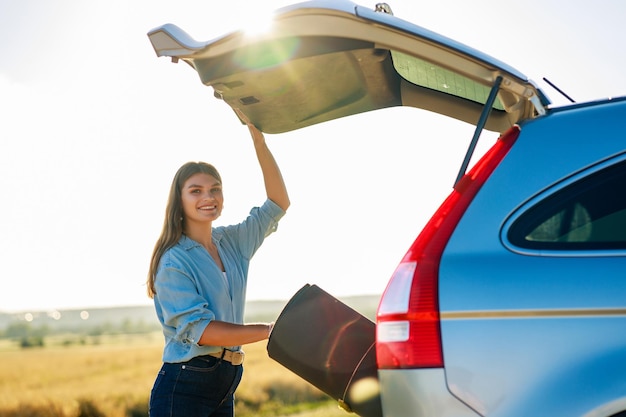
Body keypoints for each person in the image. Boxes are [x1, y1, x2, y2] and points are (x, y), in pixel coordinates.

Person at [146, 109, 290, 417]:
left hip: (225, 382)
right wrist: (268, 330)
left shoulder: (233, 242)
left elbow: (278, 202)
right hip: (185, 386)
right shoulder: (173, 261)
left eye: (215, 189)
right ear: (180, 200)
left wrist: (258, 141)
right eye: (195, 191)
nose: (207, 196)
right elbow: (205, 331)